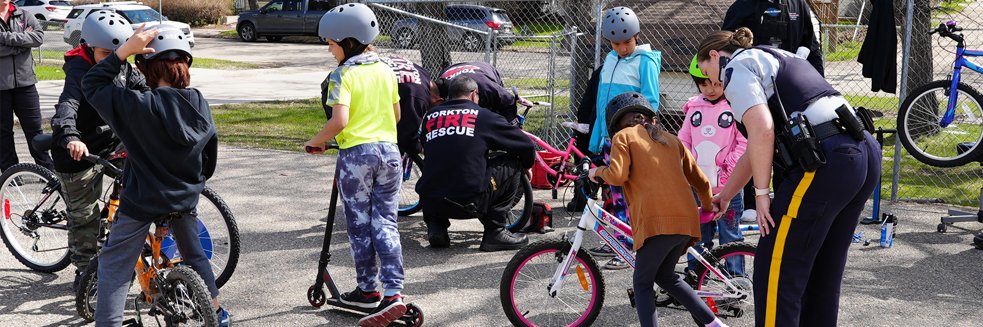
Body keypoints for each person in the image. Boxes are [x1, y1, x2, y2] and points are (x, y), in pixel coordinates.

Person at [696, 28, 880, 327]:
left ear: (715, 55)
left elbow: (762, 129)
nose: (714, 81)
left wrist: (761, 194)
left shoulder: (736, 67)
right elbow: (757, 147)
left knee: (776, 270)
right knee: (823, 268)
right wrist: (727, 194)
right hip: (861, 153)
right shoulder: (779, 55)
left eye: (707, 70)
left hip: (825, 159)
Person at [81, 23, 228, 326]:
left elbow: (93, 84)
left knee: (115, 266)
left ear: (146, 68)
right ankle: (216, 312)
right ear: (186, 64)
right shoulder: (198, 102)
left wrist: (123, 51)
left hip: (142, 200)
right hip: (184, 196)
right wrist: (190, 183)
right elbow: (208, 159)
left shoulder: (138, 105)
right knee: (195, 255)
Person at [588, 92, 729, 327]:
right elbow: (702, 182)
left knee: (642, 284)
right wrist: (707, 207)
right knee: (666, 276)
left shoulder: (623, 137)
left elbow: (617, 175)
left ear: (617, 123)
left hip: (656, 224)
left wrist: (597, 173)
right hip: (685, 222)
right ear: (651, 119)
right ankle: (714, 324)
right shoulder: (671, 140)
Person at [305, 4, 407, 326]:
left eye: (331, 44)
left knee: (360, 226)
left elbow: (340, 120)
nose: (329, 50)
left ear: (348, 42)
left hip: (358, 158)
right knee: (386, 222)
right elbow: (397, 117)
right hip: (391, 155)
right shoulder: (386, 70)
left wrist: (317, 140)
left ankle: (367, 290)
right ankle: (394, 292)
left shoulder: (343, 74)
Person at [51, 10, 149, 291]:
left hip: (110, 144)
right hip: (77, 149)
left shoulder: (123, 68)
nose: (113, 60)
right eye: (105, 53)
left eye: (118, 53)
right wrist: (70, 136)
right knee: (84, 217)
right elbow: (66, 107)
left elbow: (145, 94)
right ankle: (85, 272)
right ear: (89, 46)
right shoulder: (79, 72)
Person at [416, 75, 535, 252]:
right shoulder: (484, 116)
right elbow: (525, 145)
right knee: (513, 163)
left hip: (430, 201)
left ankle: (436, 227)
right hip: (468, 202)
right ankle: (495, 232)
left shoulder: (430, 116)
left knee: (439, 164)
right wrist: (526, 166)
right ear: (473, 95)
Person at [587, 5, 663, 270]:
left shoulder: (646, 61)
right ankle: (615, 238)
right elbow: (600, 104)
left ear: (637, 36)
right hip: (608, 138)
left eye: (626, 42)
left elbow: (650, 102)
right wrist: (597, 137)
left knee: (626, 195)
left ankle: (628, 245)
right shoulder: (609, 60)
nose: (621, 48)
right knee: (611, 191)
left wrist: (639, 137)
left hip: (630, 140)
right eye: (615, 43)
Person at [678, 55, 747, 275]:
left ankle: (736, 279)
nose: (711, 89)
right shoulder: (693, 108)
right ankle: (696, 278)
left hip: (729, 188)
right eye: (704, 84)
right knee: (698, 235)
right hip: (698, 187)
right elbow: (684, 140)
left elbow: (744, 142)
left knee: (731, 236)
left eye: (717, 83)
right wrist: (687, 167)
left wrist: (730, 167)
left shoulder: (735, 107)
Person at [0, 0, 53, 172]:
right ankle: (11, 173)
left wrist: (5, 39)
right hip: (1, 87)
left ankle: (47, 170)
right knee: (3, 133)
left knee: (35, 131)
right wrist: (21, 45)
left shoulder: (24, 15)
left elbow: (38, 38)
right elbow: (28, 41)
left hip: (26, 84)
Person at [721, 0, 824, 75]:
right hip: (755, 78)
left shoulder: (799, 4)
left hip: (790, 75)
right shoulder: (742, 6)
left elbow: (811, 45)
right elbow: (725, 45)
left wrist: (821, 82)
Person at [378, 55, 440, 156]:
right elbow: (406, 137)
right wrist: (422, 150)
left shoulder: (423, 73)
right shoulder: (419, 97)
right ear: (438, 100)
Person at [436, 61, 518, 124]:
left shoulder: (488, 89)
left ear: (473, 94)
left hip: (484, 70)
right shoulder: (442, 89)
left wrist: (510, 128)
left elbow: (508, 102)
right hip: (454, 69)